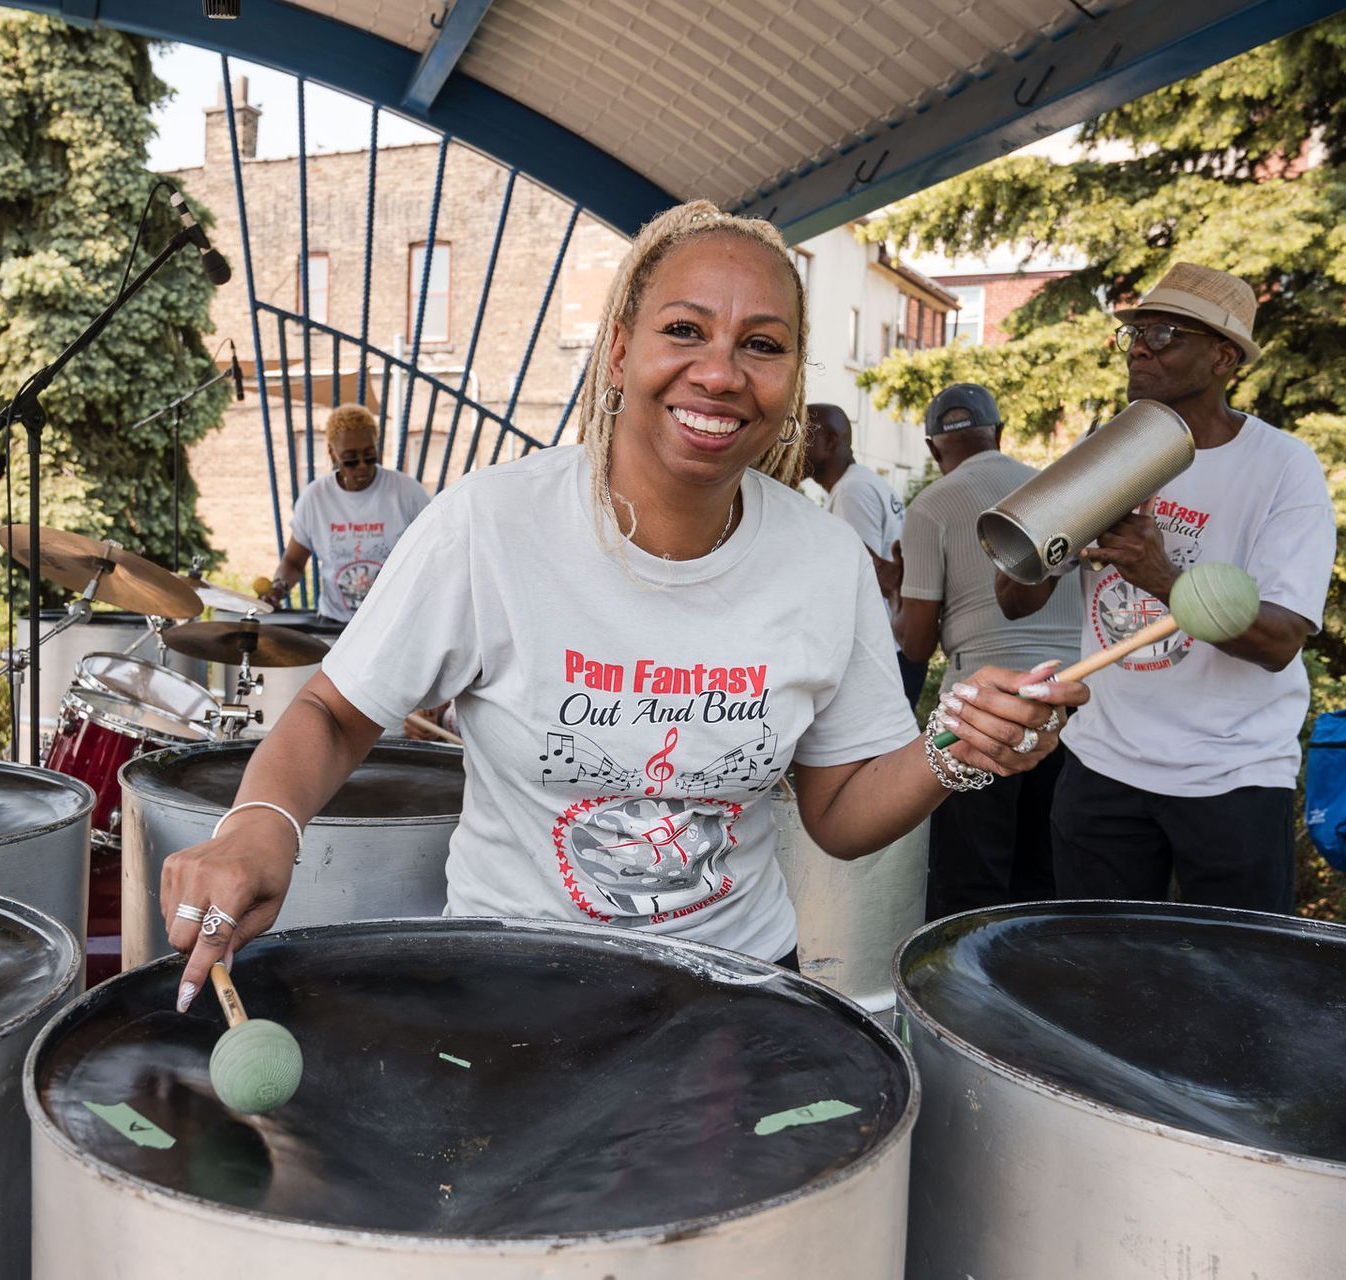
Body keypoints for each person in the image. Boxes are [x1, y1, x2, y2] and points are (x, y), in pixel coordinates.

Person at [158, 200, 1087, 1012]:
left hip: (736, 996)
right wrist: (257, 825)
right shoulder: (493, 522)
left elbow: (839, 814)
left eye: (761, 345)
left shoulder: (824, 559)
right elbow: (332, 709)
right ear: (617, 352)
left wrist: (953, 752)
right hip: (510, 985)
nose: (721, 373)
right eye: (684, 330)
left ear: (791, 379)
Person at [997, 263, 1336, 914]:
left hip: (1232, 775)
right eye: (1136, 332)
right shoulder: (1106, 449)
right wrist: (1052, 538)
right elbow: (1015, 600)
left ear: (1223, 357)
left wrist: (1162, 577)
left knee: (1234, 981)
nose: (1142, 347)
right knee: (1098, 975)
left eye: (1166, 333)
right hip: (1102, 765)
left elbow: (1281, 642)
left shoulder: (1282, 466)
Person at [880, 383, 1082, 920]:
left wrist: (898, 588)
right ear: (1000, 433)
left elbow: (917, 642)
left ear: (931, 448)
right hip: (1073, 700)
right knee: (1047, 882)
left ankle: (960, 1000)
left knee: (969, 892)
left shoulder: (930, 507)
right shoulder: (1053, 491)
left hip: (980, 712)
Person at [257, 403, 431, 623]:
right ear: (332, 453)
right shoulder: (315, 498)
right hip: (335, 622)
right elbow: (293, 561)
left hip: (394, 622)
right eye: (350, 459)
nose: (361, 467)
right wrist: (278, 587)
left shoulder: (407, 493)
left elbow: (433, 555)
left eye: (369, 457)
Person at [802, 402, 918, 702]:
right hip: (895, 646)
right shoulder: (863, 482)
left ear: (830, 441)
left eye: (803, 434)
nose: (791, 443)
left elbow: (856, 575)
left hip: (881, 653)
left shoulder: (852, 491)